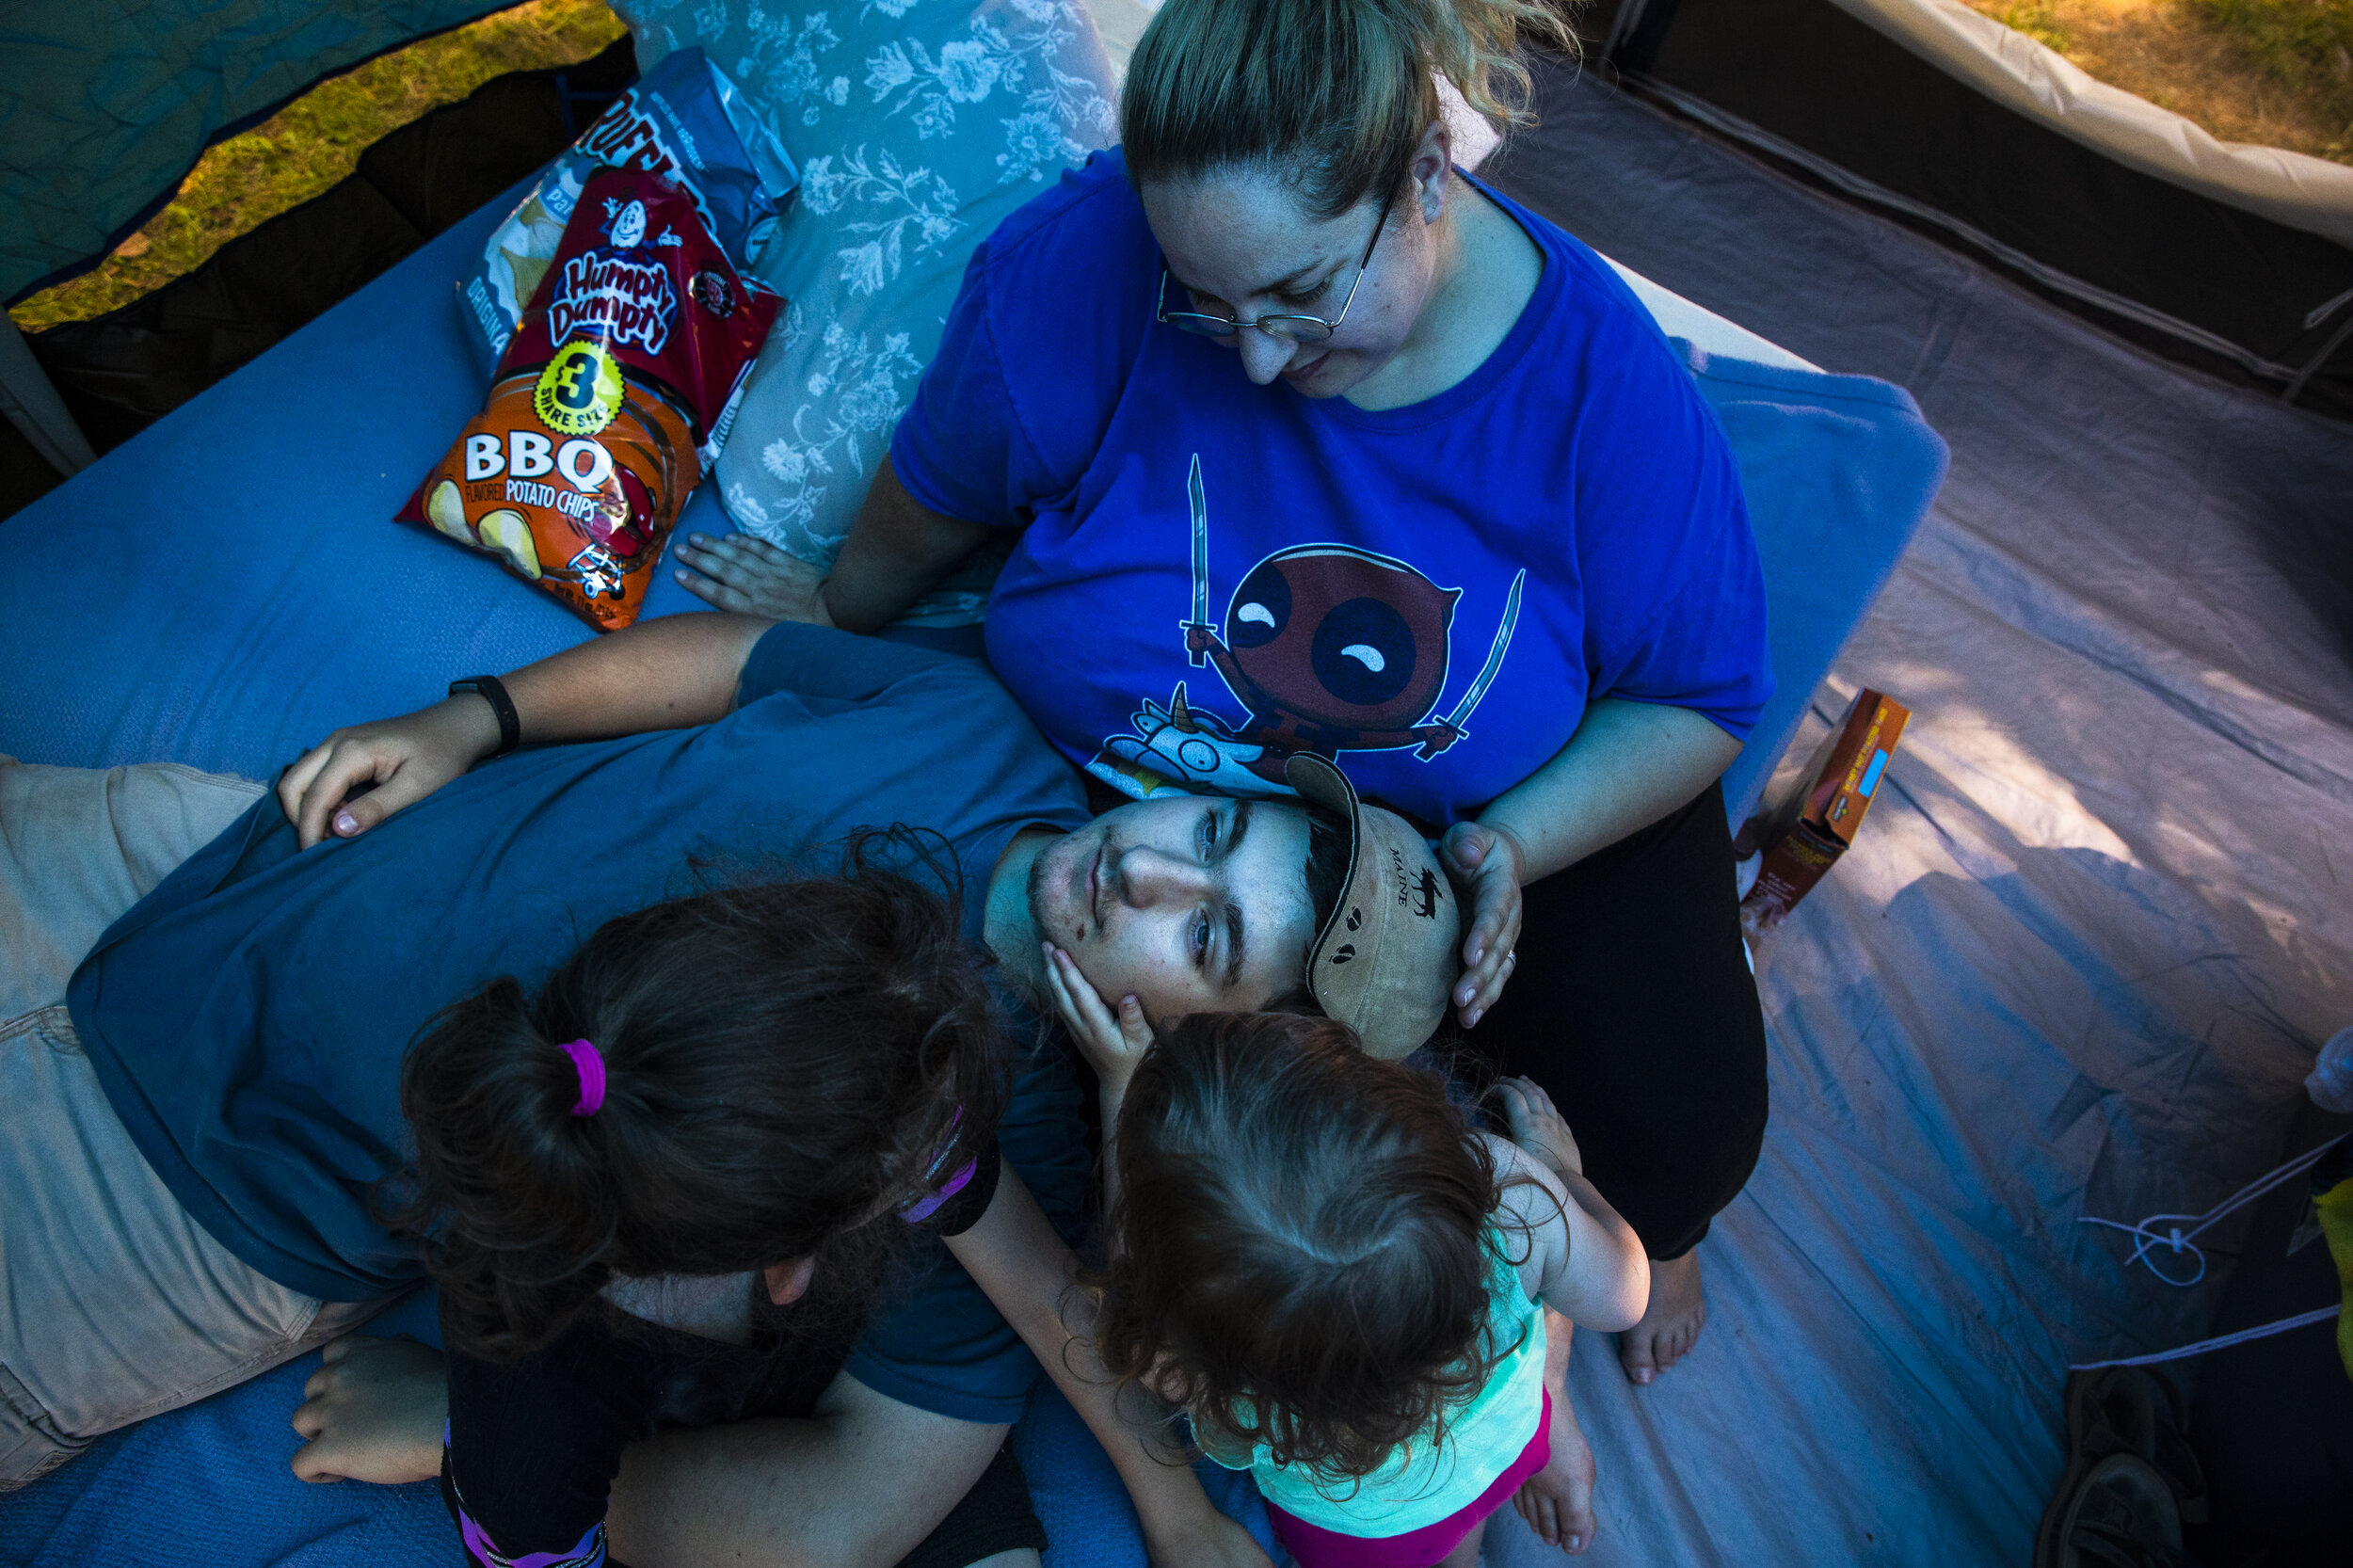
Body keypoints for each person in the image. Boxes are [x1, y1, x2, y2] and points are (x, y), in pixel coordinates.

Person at [671, 0, 1776, 1504]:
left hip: (1459, 831)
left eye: (1303, 295)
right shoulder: (1082, 265)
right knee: (1222, 1232)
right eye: (1207, 301)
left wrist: (1510, 840)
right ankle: (1517, 1360)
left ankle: (1616, 1277)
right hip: (1173, 833)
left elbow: (1701, 697)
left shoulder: (1606, 397)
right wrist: (838, 610)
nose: (1254, 360)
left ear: (1426, 181)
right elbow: (936, 490)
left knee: (1681, 1129)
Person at [0, 612, 1460, 1563]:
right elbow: (750, 658)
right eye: (1206, 826)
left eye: (1201, 932)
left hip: (176, 1189)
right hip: (233, 853)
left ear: (1202, 1037)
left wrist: (479, 1427)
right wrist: (481, 719)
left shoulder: (973, 1137)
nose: (1141, 865)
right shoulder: (975, 727)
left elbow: (855, 1503)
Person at [1066, 1008, 1647, 1568]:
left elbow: (1135, 1287)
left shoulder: (1198, 1361)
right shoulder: (1512, 1192)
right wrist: (1559, 1171)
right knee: (1464, 1521)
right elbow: (1625, 1296)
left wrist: (1119, 1089)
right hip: (1502, 1454)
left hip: (1356, 1537)